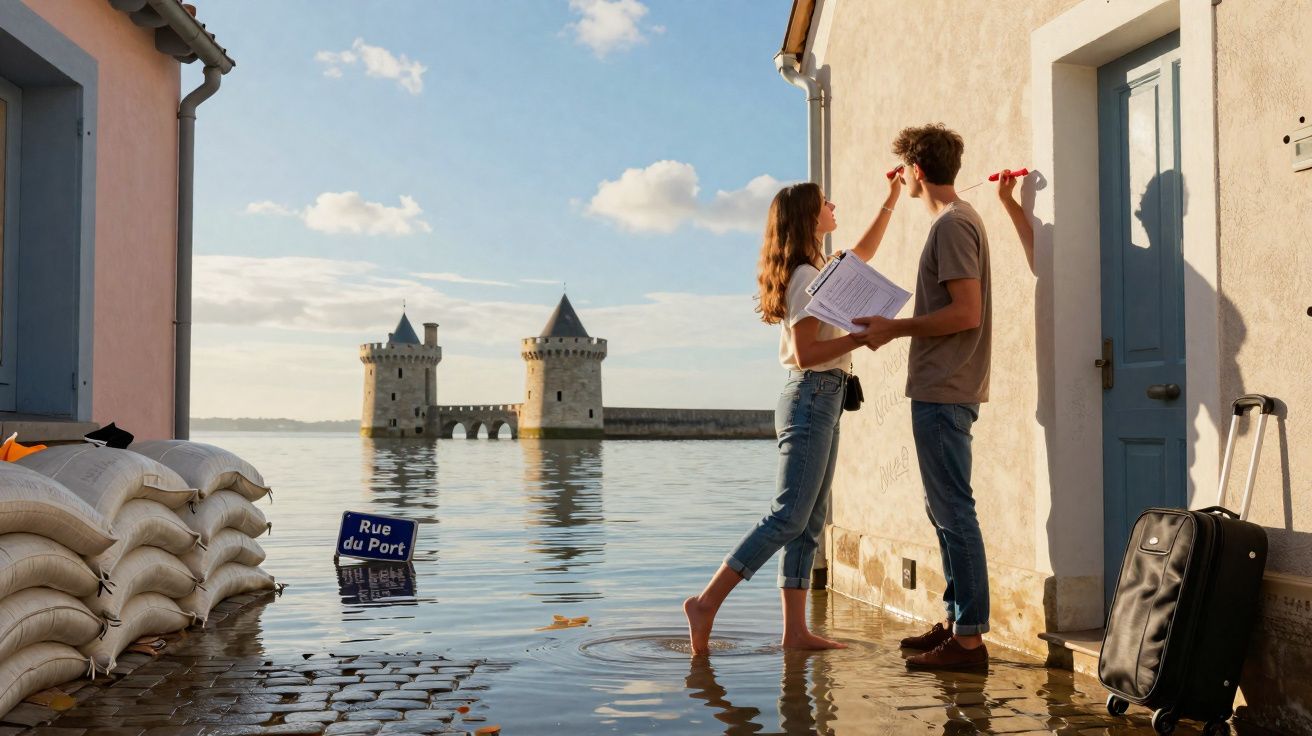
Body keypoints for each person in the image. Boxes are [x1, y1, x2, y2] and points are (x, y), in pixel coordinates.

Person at [683, 175, 902, 656]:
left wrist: (890, 199)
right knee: (788, 516)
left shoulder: (820, 268)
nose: (832, 203)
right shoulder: (806, 276)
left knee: (809, 521)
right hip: (811, 392)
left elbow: (861, 253)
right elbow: (805, 353)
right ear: (809, 216)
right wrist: (864, 337)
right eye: (825, 201)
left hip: (825, 395)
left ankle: (796, 633)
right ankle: (705, 603)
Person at [853, 123, 1014, 670]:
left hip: (945, 389)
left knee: (954, 513)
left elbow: (967, 313)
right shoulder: (960, 220)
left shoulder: (951, 225)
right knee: (943, 509)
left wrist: (892, 329)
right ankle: (956, 622)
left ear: (917, 171)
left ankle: (968, 642)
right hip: (945, 387)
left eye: (906, 172)